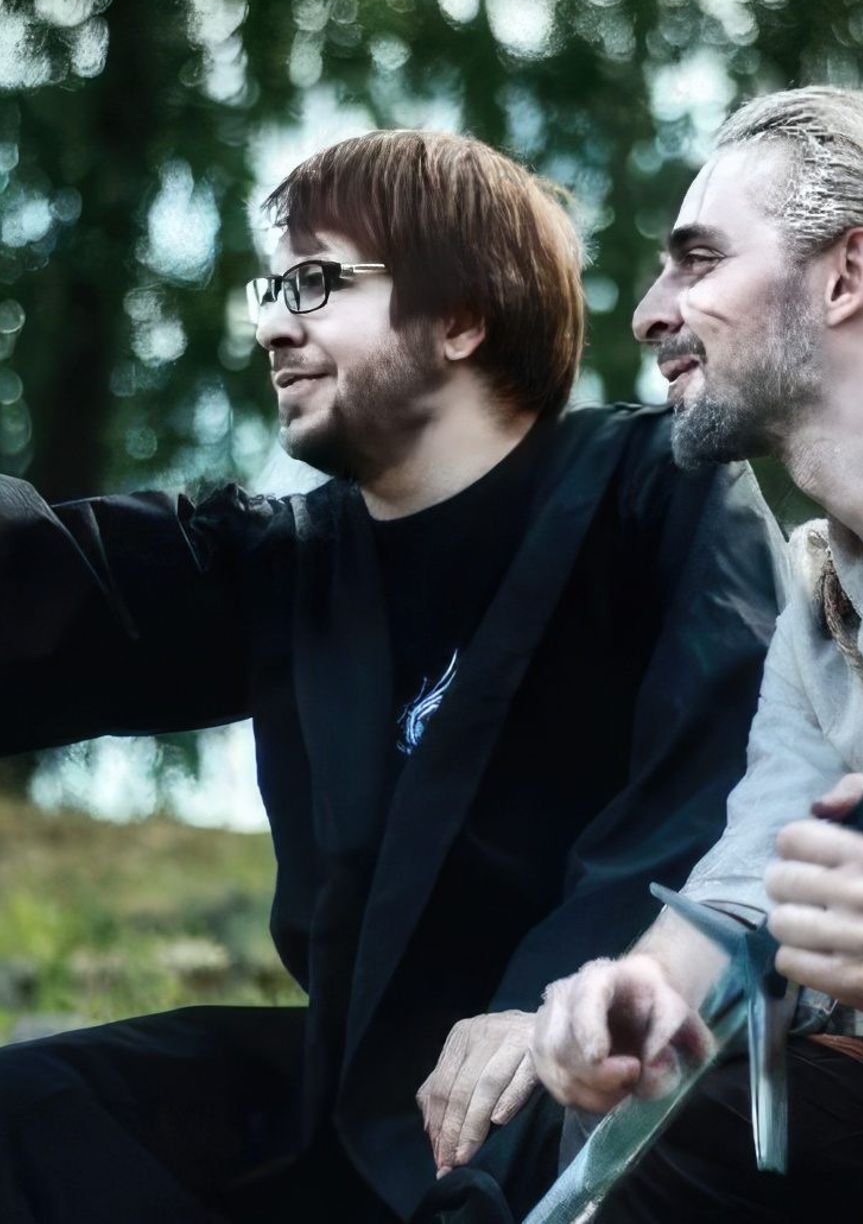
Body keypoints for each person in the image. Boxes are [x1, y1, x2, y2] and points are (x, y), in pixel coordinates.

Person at [0, 129, 782, 1223]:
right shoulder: (285, 562)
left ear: (460, 317)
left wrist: (559, 1004)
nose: (274, 326)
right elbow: (51, 587)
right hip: (348, 1110)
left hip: (578, 1076)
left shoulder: (651, 493)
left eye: (317, 282)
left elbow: (728, 785)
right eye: (274, 290)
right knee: (35, 1117)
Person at [532, 86, 863, 1221]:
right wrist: (633, 997)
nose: (650, 313)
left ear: (846, 275)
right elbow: (740, 896)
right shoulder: (822, 613)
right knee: (657, 1119)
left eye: (699, 260)